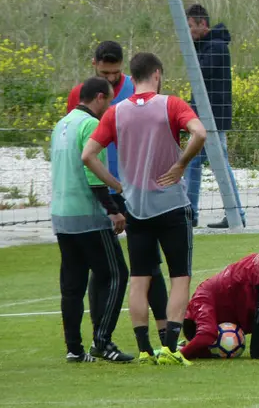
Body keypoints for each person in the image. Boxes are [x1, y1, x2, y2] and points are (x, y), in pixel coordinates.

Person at [82, 52, 207, 366]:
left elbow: (88, 155)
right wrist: (181, 163)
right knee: (180, 276)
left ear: (131, 76)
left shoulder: (116, 112)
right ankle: (171, 347)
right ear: (157, 73)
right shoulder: (171, 104)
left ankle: (143, 348)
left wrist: (118, 184)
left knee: (139, 278)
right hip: (172, 204)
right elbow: (200, 133)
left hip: (136, 207)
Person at [66, 40, 170, 347]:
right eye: (105, 73)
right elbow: (77, 139)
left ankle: (165, 331)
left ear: (123, 68)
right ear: (94, 64)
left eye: (115, 74)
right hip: (100, 188)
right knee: (103, 266)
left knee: (149, 262)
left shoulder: (138, 91)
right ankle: (102, 335)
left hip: (134, 187)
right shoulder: (80, 95)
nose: (111, 79)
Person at [51, 76, 134, 363]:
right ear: (99, 97)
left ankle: (74, 349)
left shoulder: (61, 125)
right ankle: (103, 342)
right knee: (116, 275)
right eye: (109, 100)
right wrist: (113, 209)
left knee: (72, 285)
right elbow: (90, 172)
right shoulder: (89, 124)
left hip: (62, 216)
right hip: (88, 216)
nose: (109, 106)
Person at [184, 3, 245, 228]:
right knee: (193, 163)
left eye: (190, 26)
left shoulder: (216, 47)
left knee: (219, 165)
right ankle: (192, 213)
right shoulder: (206, 45)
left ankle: (236, 213)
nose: (188, 31)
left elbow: (199, 73)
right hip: (204, 118)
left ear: (202, 24)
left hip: (213, 120)